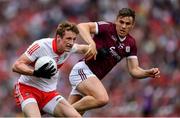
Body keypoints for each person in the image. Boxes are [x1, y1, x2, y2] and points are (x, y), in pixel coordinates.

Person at [68, 8, 161, 115]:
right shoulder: (107, 28)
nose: (123, 26)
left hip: (90, 80)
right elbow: (81, 26)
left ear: (132, 25)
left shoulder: (131, 43)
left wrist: (146, 73)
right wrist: (91, 43)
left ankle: (62, 112)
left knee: (72, 115)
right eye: (121, 22)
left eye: (127, 23)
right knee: (102, 99)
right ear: (116, 20)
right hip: (83, 70)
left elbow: (134, 70)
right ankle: (62, 111)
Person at [12, 21, 89, 117]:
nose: (71, 43)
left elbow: (84, 49)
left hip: (49, 93)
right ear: (58, 38)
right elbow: (16, 65)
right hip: (28, 89)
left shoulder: (70, 48)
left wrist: (97, 50)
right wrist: (35, 73)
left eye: (74, 39)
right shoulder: (40, 46)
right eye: (68, 38)